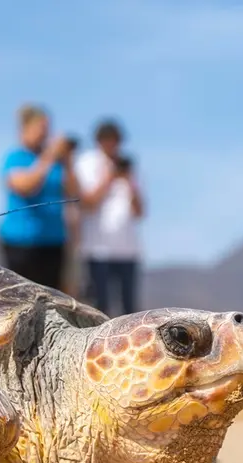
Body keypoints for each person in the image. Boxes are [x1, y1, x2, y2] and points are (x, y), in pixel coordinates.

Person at [0, 104, 78, 291]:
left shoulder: (58, 163)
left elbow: (74, 193)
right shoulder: (15, 157)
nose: (45, 133)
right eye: (41, 128)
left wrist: (67, 163)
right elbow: (26, 187)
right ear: (25, 128)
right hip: (20, 242)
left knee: (53, 296)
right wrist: (48, 156)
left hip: (54, 240)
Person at [75, 119, 146, 317]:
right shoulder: (87, 163)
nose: (112, 145)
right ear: (99, 142)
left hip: (128, 250)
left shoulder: (129, 167)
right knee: (98, 308)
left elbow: (140, 212)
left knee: (129, 310)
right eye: (108, 140)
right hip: (98, 249)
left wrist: (129, 182)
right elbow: (86, 203)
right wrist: (108, 179)